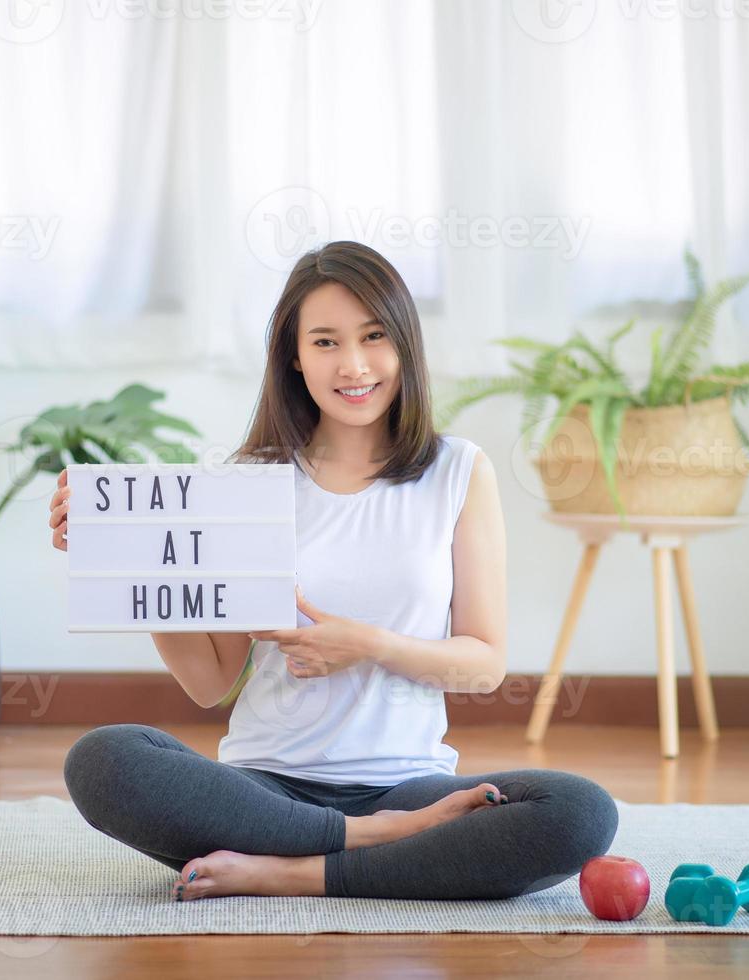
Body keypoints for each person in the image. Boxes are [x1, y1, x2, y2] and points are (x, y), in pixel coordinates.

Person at [49, 241, 618, 902]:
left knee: (580, 812)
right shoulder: (252, 482)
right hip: (268, 784)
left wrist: (369, 646)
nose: (353, 365)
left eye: (373, 336)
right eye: (325, 342)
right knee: (104, 763)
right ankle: (369, 843)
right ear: (294, 356)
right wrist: (135, 567)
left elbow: (484, 664)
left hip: (408, 783)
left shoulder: (459, 472)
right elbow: (209, 682)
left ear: (403, 343)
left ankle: (291, 871)